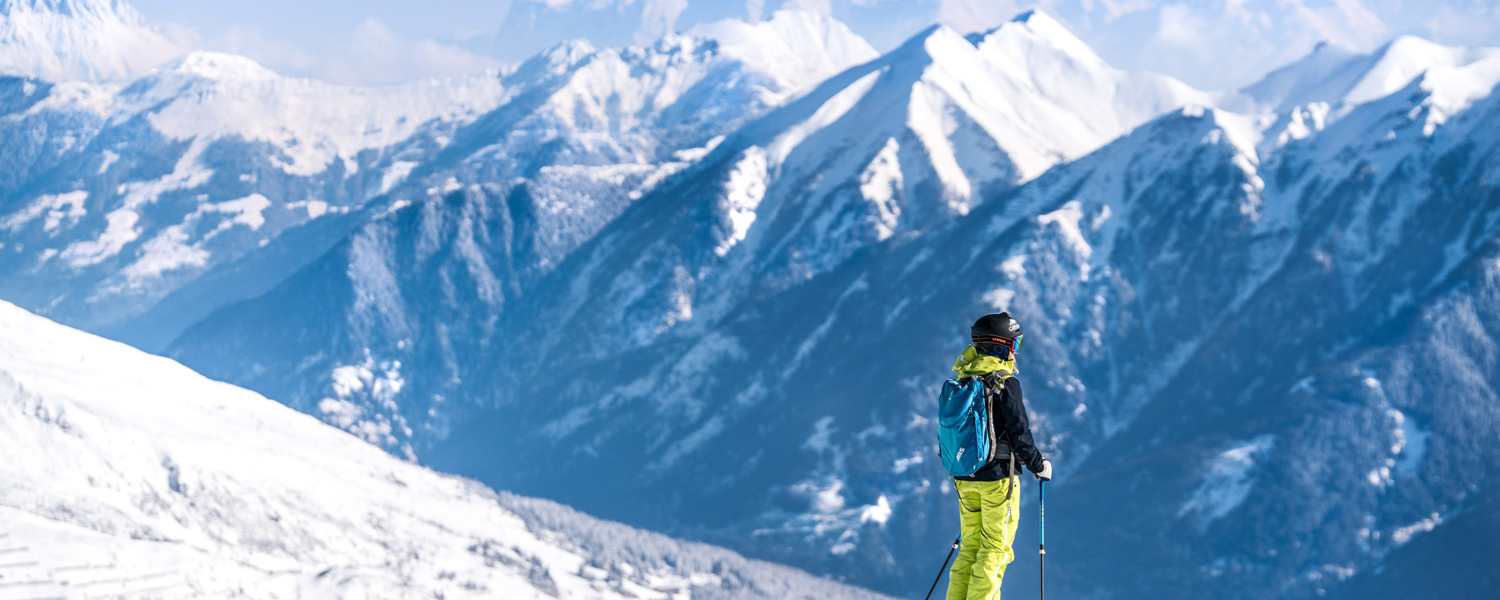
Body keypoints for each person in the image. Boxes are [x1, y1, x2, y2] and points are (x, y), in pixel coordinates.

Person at [946, 311, 1051, 600]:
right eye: (1015, 345)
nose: (1016, 352)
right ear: (1003, 346)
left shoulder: (963, 380)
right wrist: (1038, 464)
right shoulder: (1004, 382)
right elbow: (1020, 432)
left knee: (970, 548)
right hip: (998, 481)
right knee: (994, 550)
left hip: (964, 478)